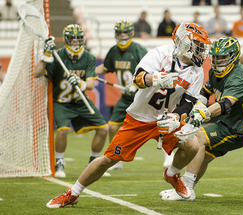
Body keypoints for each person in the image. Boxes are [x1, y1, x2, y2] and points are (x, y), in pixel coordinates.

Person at [45, 22, 213, 208]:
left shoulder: (197, 72)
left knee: (192, 144)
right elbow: (138, 78)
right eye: (198, 46)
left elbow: (187, 102)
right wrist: (156, 79)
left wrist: (175, 119)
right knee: (108, 159)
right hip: (140, 117)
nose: (202, 51)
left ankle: (172, 174)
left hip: (165, 118)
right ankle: (73, 193)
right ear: (184, 43)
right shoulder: (161, 54)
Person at [159, 36, 243, 201]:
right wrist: (196, 106)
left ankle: (184, 187)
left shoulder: (240, 75)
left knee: (198, 138)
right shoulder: (215, 72)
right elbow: (205, 93)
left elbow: (225, 104)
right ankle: (187, 190)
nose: (218, 61)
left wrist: (202, 114)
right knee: (204, 152)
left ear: (233, 56)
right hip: (230, 122)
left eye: (223, 57)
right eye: (215, 57)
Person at [33, 24, 109, 178]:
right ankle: (59, 162)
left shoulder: (88, 57)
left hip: (80, 101)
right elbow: (37, 73)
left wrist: (79, 83)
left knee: (104, 129)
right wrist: (45, 54)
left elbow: (90, 84)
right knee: (63, 130)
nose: (75, 41)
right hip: (61, 102)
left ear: (83, 40)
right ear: (66, 39)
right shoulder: (57, 55)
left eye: (78, 38)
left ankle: (93, 162)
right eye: (72, 38)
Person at [95, 19, 149, 170]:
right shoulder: (113, 51)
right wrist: (88, 73)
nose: (123, 35)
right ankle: (116, 159)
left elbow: (150, 70)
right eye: (120, 32)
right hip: (125, 98)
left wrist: (135, 84)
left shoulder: (138, 49)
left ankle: (168, 157)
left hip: (143, 97)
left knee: (156, 127)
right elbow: (106, 68)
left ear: (131, 33)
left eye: (125, 32)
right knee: (112, 126)